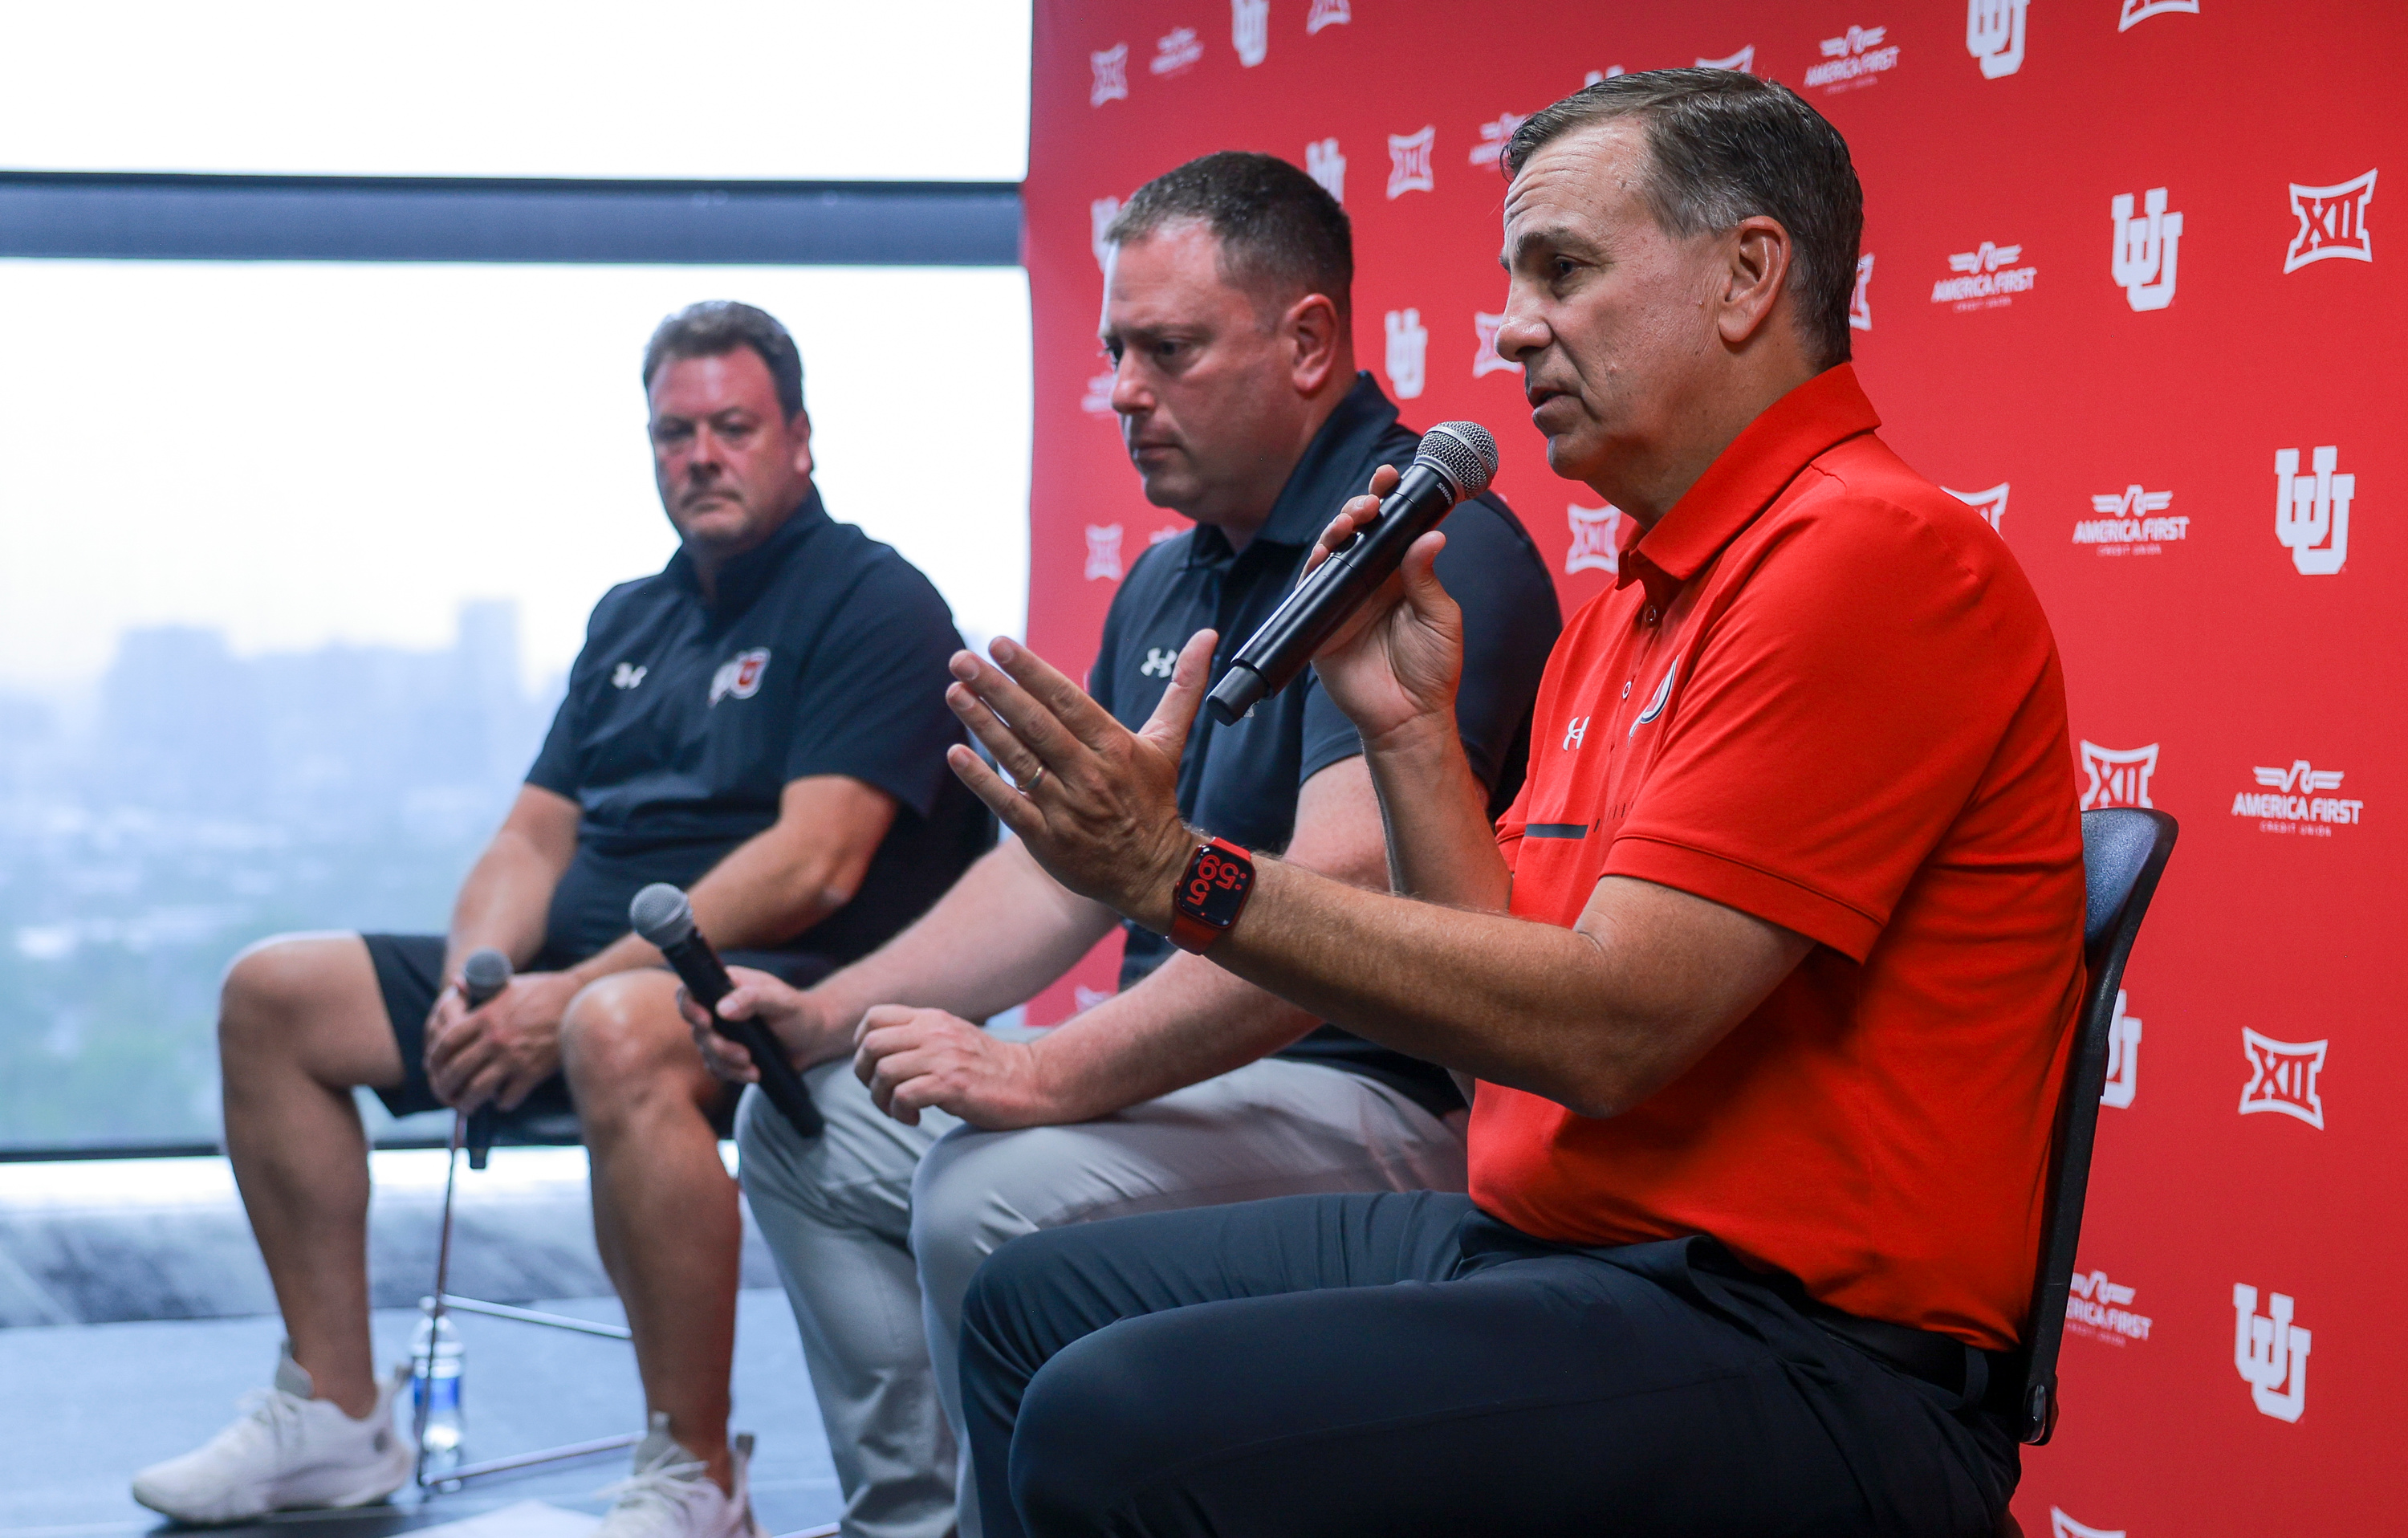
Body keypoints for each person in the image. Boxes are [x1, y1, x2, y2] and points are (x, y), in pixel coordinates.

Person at [934, 71, 2085, 1538]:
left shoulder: (1869, 559)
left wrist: (1180, 874)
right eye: (1514, 279)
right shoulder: (1632, 605)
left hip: (1792, 1346)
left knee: (1120, 1423)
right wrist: (1410, 733)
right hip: (1568, 1248)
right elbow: (1507, 1009)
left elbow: (1608, 1031)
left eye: (1566, 270)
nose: (1510, 324)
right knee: (1034, 1292)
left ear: (1747, 276)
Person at [678, 152, 1560, 1538]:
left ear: (1311, 341)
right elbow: (1054, 869)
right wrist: (830, 1014)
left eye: (1170, 348)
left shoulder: (1414, 540)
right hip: (1194, 1089)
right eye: (1114, 350)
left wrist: (1046, 1070)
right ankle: (915, 1523)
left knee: (991, 1189)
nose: (1124, 390)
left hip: (1370, 1098)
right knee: (807, 1125)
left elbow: (1333, 923)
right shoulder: (1173, 567)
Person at [132, 301, 991, 1537]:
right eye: (673, 432)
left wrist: (569, 993)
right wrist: (479, 985)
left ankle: (697, 1471)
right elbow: (533, 832)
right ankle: (333, 1413)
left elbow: (814, 862)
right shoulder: (629, 619)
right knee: (274, 996)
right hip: (586, 974)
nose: (699, 455)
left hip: (781, 984)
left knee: (613, 1027)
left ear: (799, 438)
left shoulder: (873, 601)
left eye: (733, 427)